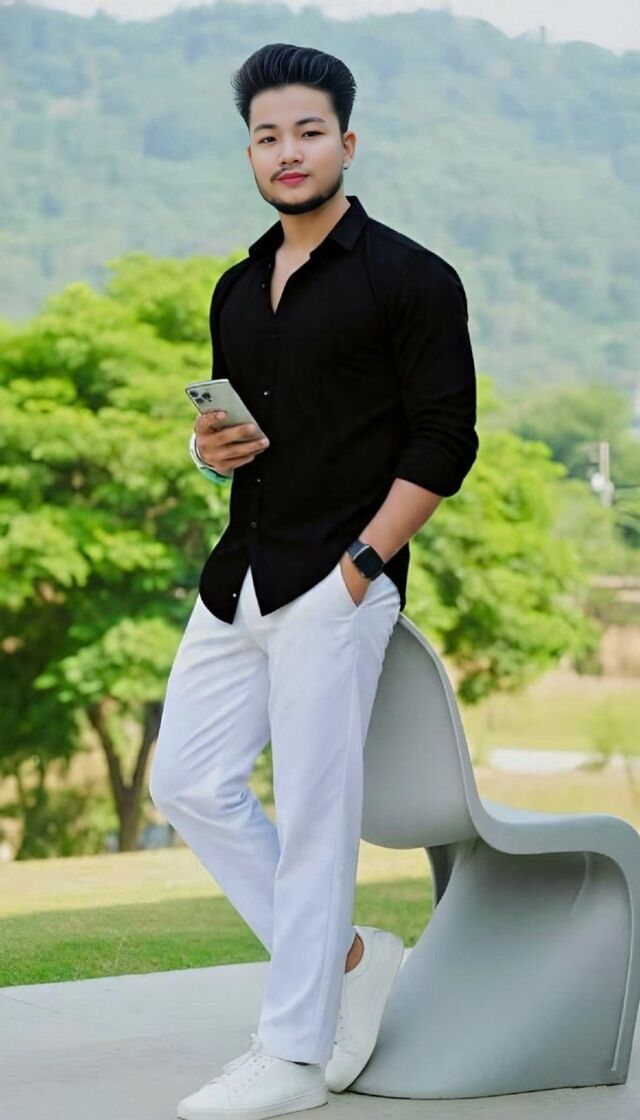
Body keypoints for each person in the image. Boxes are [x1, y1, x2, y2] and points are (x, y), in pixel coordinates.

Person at [149, 41, 479, 1120]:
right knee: (185, 782)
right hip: (239, 576)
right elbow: (244, 436)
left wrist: (360, 567)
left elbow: (444, 442)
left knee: (316, 818)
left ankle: (293, 1055)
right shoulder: (238, 287)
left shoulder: (412, 279)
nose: (286, 151)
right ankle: (347, 958)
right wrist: (208, 449)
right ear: (249, 151)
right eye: (266, 135)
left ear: (347, 140)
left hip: (338, 582)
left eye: (307, 131)